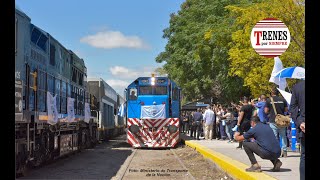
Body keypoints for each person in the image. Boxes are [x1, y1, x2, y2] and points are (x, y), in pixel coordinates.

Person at [264, 87, 289, 157]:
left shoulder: (269, 100)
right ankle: (284, 151)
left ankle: (276, 151)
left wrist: (270, 113)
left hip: (273, 120)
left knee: (274, 136)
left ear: (272, 93)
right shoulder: (283, 100)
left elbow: (265, 111)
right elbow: (286, 110)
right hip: (282, 121)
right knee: (283, 136)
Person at [289, 80, 305, 180]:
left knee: (304, 156)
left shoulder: (297, 87)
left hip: (303, 126)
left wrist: (300, 123)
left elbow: (293, 108)